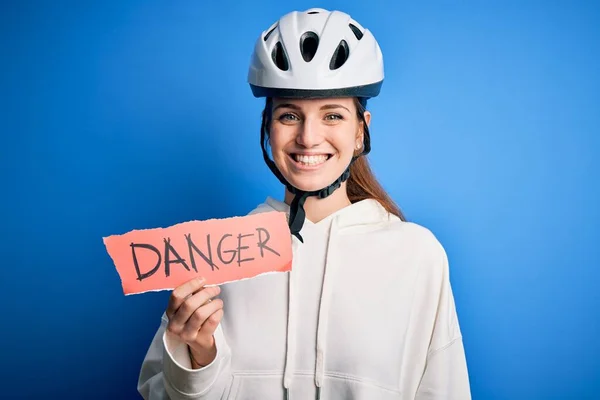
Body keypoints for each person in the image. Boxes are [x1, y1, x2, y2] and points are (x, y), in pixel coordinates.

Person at [137, 8, 471, 400]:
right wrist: (199, 356)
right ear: (268, 127)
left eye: (332, 115)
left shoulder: (417, 255)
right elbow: (156, 393)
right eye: (290, 115)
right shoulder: (216, 255)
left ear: (362, 131)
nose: (309, 138)